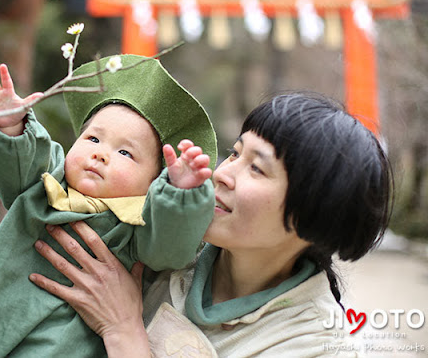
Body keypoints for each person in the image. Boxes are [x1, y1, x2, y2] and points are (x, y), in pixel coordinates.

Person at [29, 92, 393, 357]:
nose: (222, 174)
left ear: (314, 214)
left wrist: (123, 329)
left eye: (256, 168)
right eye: (235, 153)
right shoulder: (166, 239)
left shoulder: (317, 344)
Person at [0, 55, 218, 357]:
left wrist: (180, 195)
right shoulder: (42, 186)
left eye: (125, 152)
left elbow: (171, 247)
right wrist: (11, 127)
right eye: (93, 138)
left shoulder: (138, 227)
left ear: (154, 183)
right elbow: (19, 161)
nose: (101, 154)